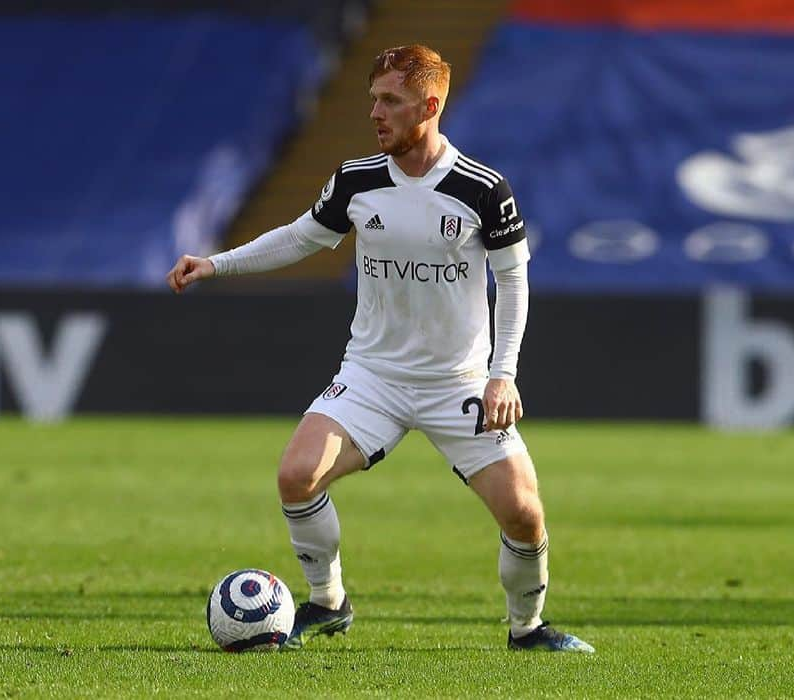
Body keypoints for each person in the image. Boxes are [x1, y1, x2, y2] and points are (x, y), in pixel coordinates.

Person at [167, 44, 593, 653]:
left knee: (524, 515)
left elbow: (515, 281)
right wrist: (216, 263)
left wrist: (503, 375)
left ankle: (527, 629)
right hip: (373, 376)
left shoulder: (483, 191)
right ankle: (327, 601)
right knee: (296, 475)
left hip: (460, 384)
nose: (376, 112)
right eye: (372, 99)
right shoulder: (356, 181)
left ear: (430, 103)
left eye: (389, 100)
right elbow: (301, 238)